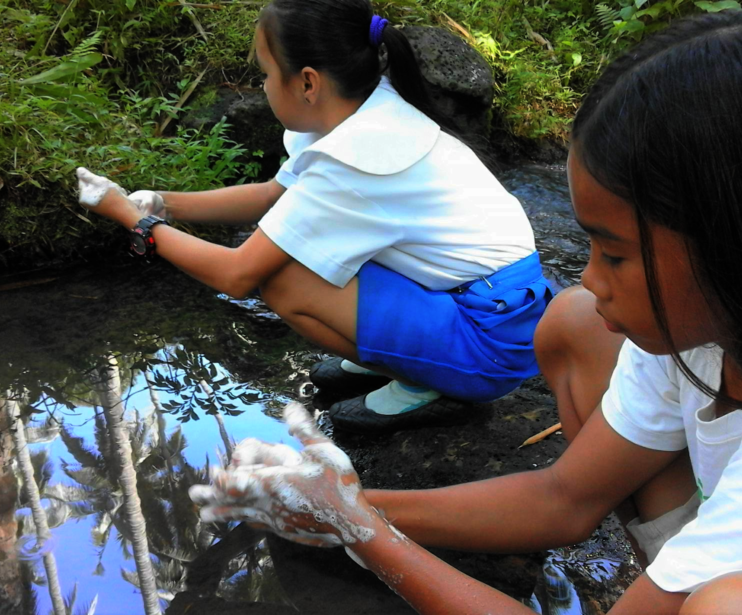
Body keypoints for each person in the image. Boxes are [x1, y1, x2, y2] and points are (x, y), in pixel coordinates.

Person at [188, 10, 742, 615]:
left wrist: (365, 535)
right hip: (732, 529)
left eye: (614, 254)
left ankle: (685, 587)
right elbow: (563, 498)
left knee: (733, 606)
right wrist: (335, 505)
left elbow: (247, 270)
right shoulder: (711, 330)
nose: (589, 276)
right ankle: (672, 576)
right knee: (577, 321)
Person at [75, 0, 553, 435]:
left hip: (490, 340)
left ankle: (425, 379)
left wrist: (132, 219)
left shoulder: (355, 158)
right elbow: (272, 196)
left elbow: (238, 276)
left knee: (282, 279)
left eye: (265, 74)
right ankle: (409, 358)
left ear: (307, 82)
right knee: (301, 252)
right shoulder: (364, 108)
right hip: (497, 307)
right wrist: (163, 202)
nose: (263, 87)